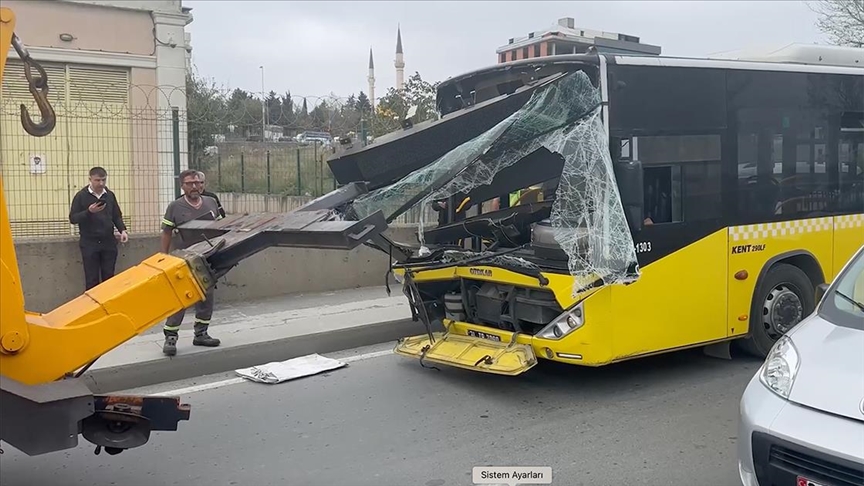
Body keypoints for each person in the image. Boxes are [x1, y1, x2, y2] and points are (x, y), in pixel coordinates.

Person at [159, 169, 222, 356]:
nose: (195, 186)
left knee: (206, 296)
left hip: (207, 258)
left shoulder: (211, 202)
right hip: (183, 260)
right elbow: (166, 232)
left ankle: (201, 333)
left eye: (198, 182)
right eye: (190, 183)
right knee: (180, 299)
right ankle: (171, 337)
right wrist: (164, 255)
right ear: (182, 186)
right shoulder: (175, 207)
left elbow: (219, 227)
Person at [68, 166, 129, 290]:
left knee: (109, 278)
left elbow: (116, 215)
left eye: (103, 180)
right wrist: (89, 211)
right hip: (89, 243)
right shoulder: (81, 196)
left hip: (108, 242)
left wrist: (122, 230)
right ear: (90, 179)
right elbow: (73, 218)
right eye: (97, 180)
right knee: (92, 279)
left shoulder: (110, 195)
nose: (101, 183)